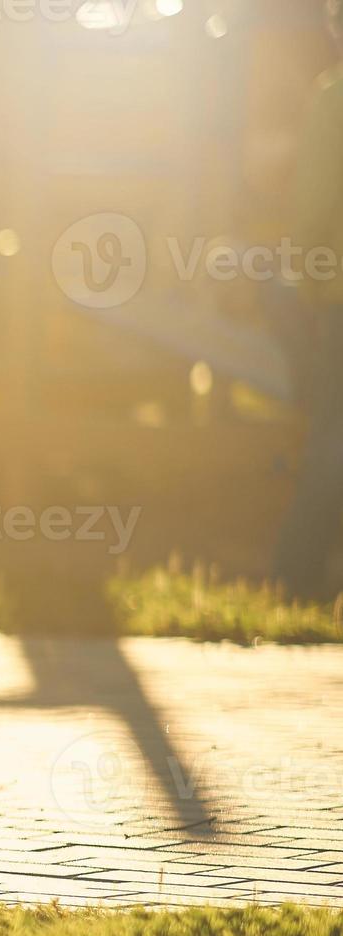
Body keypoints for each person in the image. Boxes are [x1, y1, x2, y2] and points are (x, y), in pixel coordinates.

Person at [275, 0, 343, 598]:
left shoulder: (334, 97)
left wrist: (305, 277)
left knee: (332, 436)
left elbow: (316, 204)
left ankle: (296, 579)